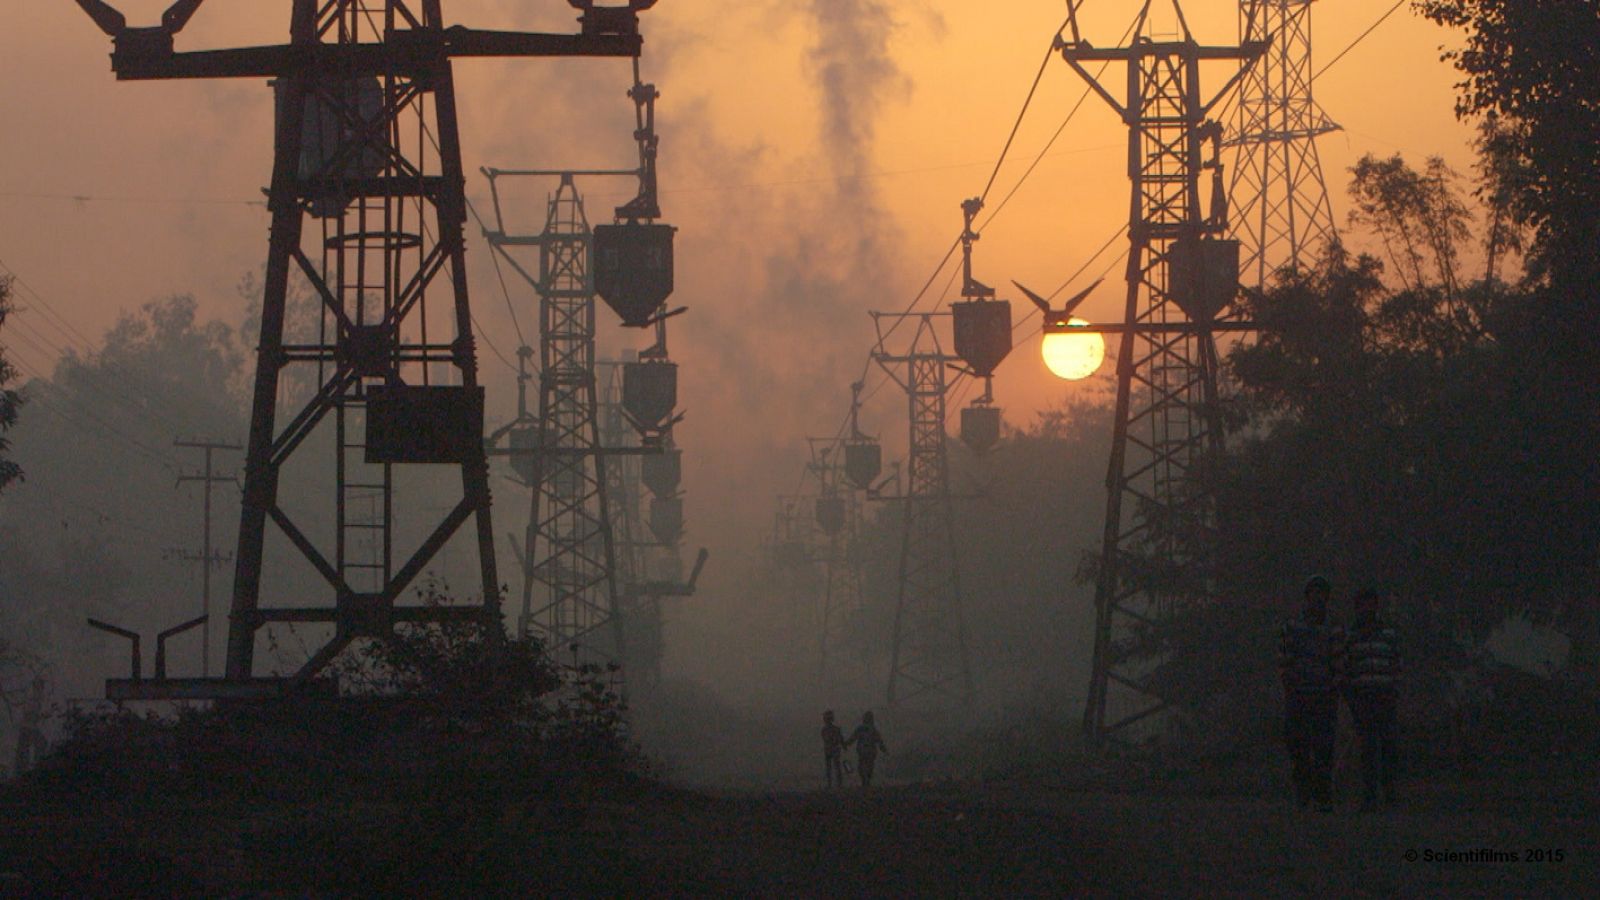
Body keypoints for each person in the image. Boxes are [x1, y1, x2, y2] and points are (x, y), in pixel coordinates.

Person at [1279, 574, 1341, 812]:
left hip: (1324, 695)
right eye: (1314, 594)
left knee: (1324, 747)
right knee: (1298, 745)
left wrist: (1334, 685)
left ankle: (1323, 795)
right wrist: (1289, 685)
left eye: (1322, 594)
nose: (1318, 599)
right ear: (1307, 598)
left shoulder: (1333, 628)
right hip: (1299, 694)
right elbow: (1285, 659)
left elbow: (1338, 660)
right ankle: (1304, 792)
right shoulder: (1292, 626)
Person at [1343, 588, 1400, 811]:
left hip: (1384, 696)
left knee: (1387, 746)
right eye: (1364, 605)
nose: (1368, 609)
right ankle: (1369, 796)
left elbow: (1396, 663)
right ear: (1358, 608)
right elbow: (1347, 667)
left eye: (1371, 604)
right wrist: (1352, 697)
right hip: (1363, 699)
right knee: (1368, 749)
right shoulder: (1351, 636)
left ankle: (1389, 794)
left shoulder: (1388, 634)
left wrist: (1394, 689)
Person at [844, 710, 888, 788]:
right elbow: (879, 742)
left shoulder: (861, 728)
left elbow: (853, 738)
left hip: (862, 751)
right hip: (870, 751)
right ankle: (867, 780)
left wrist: (846, 744)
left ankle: (865, 780)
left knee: (862, 765)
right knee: (869, 765)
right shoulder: (873, 729)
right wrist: (884, 750)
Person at [820, 710, 846, 788]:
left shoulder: (825, 729)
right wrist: (844, 745)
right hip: (832, 749)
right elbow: (840, 739)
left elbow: (838, 739)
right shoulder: (835, 729)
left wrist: (842, 744)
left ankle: (833, 784)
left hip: (831, 749)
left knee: (832, 767)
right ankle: (836, 784)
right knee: (834, 767)